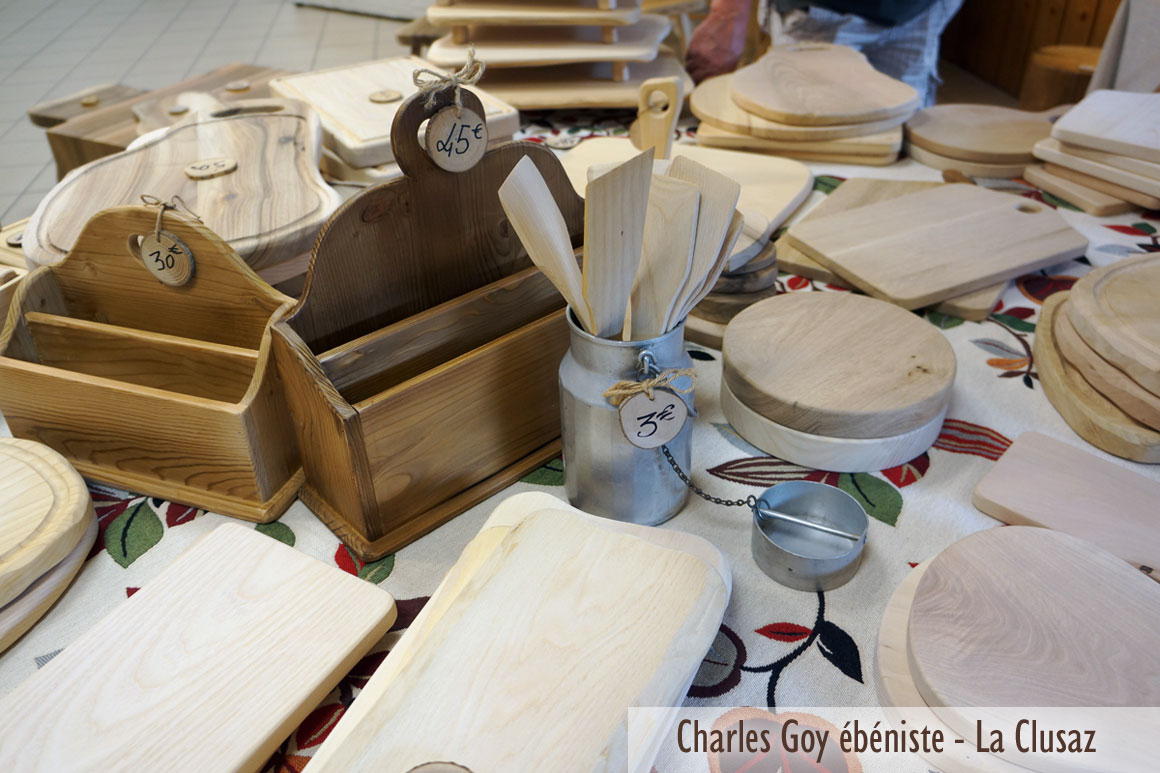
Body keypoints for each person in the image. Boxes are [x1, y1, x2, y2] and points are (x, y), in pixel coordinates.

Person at [686, 0, 964, 107]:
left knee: (900, 129)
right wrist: (730, 12)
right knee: (809, 130)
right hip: (822, 13)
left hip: (922, 10)